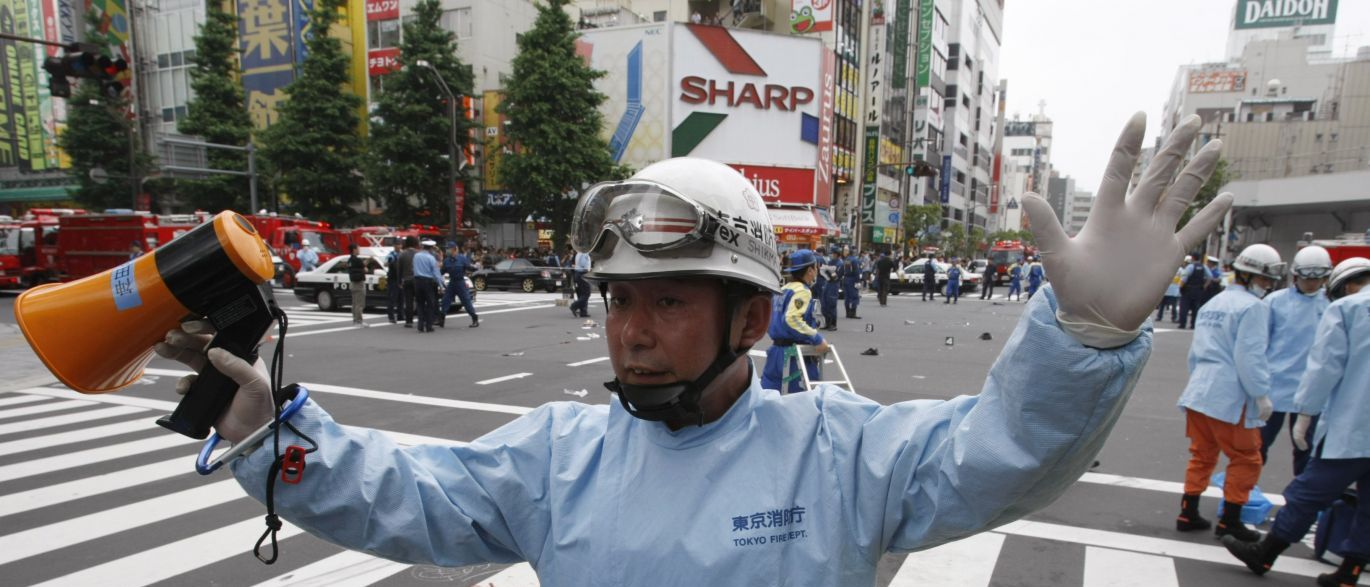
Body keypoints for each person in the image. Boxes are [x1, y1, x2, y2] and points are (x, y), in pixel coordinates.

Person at [153, 115, 1235, 586]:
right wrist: (269, 435)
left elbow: (1000, 453)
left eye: (668, 300)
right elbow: (407, 495)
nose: (631, 327)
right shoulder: (556, 455)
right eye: (619, 298)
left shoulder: (840, 451)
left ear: (751, 321)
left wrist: (1082, 338)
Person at [1223, 257, 1370, 587]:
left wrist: (1306, 411)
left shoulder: (1348, 308)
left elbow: (1325, 367)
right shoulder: (1282, 301)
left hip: (1354, 425)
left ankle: (1265, 553)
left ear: (1347, 285)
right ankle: (1350, 571)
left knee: (1308, 491)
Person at [1173, 243, 1285, 542]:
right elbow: (1250, 356)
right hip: (1230, 394)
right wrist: (1260, 393)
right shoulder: (1253, 307)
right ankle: (1230, 521)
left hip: (1199, 390)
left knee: (1202, 454)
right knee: (1247, 458)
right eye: (1264, 279)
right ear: (1248, 275)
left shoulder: (1214, 303)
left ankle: (1188, 511)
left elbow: (1195, 352)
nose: (1267, 285)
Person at [1259, 245, 1332, 475]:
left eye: (1317, 279)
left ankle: (1302, 494)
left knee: (1306, 448)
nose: (1311, 283)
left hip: (1312, 390)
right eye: (1306, 278)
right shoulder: (1274, 302)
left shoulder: (1332, 305)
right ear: (1295, 275)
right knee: (1257, 445)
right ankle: (1242, 489)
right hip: (1273, 386)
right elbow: (1259, 344)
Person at [761, 249, 828, 393]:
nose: (817, 271)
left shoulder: (783, 289)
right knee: (799, 401)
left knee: (770, 396)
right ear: (810, 270)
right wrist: (817, 338)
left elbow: (769, 318)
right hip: (794, 356)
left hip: (775, 352)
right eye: (816, 267)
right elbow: (792, 319)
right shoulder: (802, 291)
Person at [438, 242, 481, 328]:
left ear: (454, 249)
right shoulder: (446, 261)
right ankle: (441, 320)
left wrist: (476, 268)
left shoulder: (462, 259)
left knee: (466, 301)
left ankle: (474, 319)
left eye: (448, 248)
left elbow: (469, 267)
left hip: (460, 282)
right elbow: (441, 272)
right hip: (452, 283)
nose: (446, 250)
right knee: (445, 301)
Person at [412, 240, 442, 333]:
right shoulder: (431, 258)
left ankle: (420, 325)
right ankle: (429, 326)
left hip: (417, 281)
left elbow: (413, 268)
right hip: (428, 282)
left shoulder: (416, 256)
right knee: (430, 303)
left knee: (420, 303)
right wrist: (441, 284)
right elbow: (436, 272)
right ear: (431, 248)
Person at [345, 244, 378, 327]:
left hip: (353, 283)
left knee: (355, 303)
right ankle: (359, 321)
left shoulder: (350, 260)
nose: (359, 250)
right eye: (358, 248)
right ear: (354, 250)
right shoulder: (357, 260)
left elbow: (362, 266)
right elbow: (365, 267)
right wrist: (370, 260)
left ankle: (355, 320)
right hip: (359, 283)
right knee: (360, 303)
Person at [1176, 254, 1207, 329]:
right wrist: (1204, 286)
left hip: (1188, 289)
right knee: (1195, 308)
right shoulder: (1203, 267)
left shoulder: (1190, 267)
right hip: (1198, 290)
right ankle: (1193, 324)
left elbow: (1184, 278)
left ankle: (1182, 323)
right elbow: (1210, 277)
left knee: (1184, 306)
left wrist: (1180, 287)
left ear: (1193, 258)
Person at [398, 236, 418, 328]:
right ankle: (422, 319)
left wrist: (399, 281)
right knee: (420, 300)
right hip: (417, 279)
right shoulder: (418, 254)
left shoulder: (402, 254)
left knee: (408, 301)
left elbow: (399, 269)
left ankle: (409, 321)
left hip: (406, 280)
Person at [820, 250, 840, 329]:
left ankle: (833, 324)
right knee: (824, 305)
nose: (832, 255)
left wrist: (829, 272)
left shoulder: (839, 263)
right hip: (827, 283)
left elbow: (836, 276)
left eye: (833, 253)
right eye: (831, 253)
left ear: (837, 254)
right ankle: (827, 323)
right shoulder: (830, 262)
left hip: (833, 285)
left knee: (832, 304)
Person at [571, 246, 592, 318]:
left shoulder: (578, 253)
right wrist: (588, 269)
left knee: (582, 293)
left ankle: (583, 311)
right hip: (583, 274)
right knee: (587, 293)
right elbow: (584, 264)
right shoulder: (584, 253)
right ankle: (574, 306)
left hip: (578, 274)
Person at [385, 242, 403, 324]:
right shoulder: (391, 255)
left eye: (400, 244)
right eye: (397, 244)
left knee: (401, 298)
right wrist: (390, 262)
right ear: (394, 246)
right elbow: (385, 263)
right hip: (393, 279)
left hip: (401, 278)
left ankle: (400, 315)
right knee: (392, 298)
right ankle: (391, 316)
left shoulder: (402, 253)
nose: (399, 246)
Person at [841, 247, 861, 319]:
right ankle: (853, 313)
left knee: (847, 297)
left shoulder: (846, 259)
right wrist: (858, 281)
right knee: (854, 296)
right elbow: (856, 271)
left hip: (846, 279)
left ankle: (847, 313)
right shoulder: (854, 260)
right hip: (852, 279)